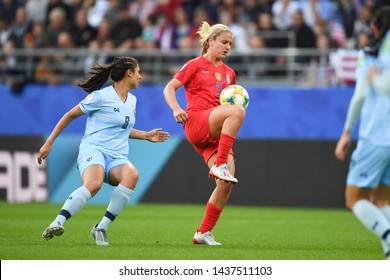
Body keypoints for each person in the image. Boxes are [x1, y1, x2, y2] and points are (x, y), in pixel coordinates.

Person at [38, 56, 170, 246]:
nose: (141, 76)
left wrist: (146, 135)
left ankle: (101, 228)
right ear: (129, 73)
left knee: (132, 175)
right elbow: (70, 115)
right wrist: (48, 143)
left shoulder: (132, 100)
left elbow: (122, 128)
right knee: (94, 183)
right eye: (138, 72)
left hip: (117, 155)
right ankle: (57, 222)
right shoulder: (100, 96)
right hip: (94, 149)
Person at [163, 21, 246, 245]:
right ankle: (220, 164)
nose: (228, 47)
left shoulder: (229, 73)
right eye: (224, 42)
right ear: (211, 41)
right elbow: (169, 88)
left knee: (225, 184)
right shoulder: (195, 64)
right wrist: (176, 108)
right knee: (238, 111)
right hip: (197, 122)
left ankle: (203, 232)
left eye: (231, 43)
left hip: (213, 134)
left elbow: (227, 101)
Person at [335, 6, 390, 260]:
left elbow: (360, 96)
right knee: (382, 200)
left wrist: (347, 132)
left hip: (377, 134)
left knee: (354, 199)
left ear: (376, 29)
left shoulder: (371, 57)